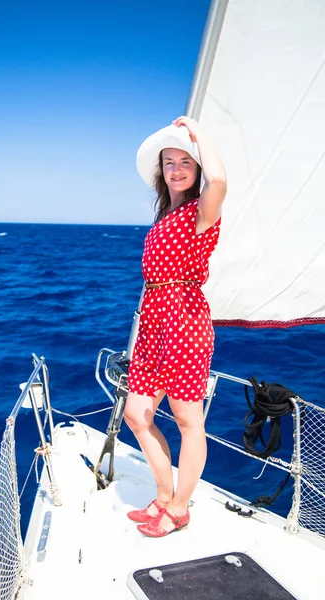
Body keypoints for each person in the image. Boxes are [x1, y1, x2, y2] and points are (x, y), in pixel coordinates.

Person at [124, 115, 227, 538]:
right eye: (170, 162)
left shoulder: (201, 215)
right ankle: (164, 495)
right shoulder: (165, 218)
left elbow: (219, 181)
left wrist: (198, 133)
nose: (178, 168)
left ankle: (180, 508)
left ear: (197, 167)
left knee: (187, 419)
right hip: (153, 325)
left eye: (186, 161)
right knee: (136, 414)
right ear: (160, 171)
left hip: (184, 321)